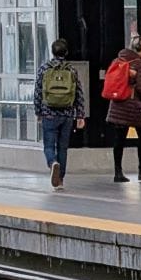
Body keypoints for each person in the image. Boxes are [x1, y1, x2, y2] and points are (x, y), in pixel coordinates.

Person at [33, 38, 85, 190]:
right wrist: (80, 115)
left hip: (49, 113)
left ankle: (52, 163)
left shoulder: (44, 69)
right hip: (67, 114)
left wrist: (38, 112)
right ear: (66, 52)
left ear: (52, 52)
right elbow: (78, 93)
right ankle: (60, 180)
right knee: (63, 147)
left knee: (49, 145)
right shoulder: (71, 70)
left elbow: (37, 92)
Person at [105, 34, 141, 183]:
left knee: (119, 140)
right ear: (138, 48)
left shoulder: (118, 59)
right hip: (135, 106)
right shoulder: (139, 64)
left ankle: (118, 171)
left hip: (117, 104)